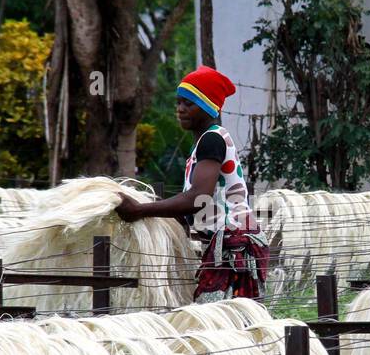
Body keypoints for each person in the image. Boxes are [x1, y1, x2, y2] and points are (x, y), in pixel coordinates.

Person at [115, 65, 269, 300]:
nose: (180, 109)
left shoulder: (212, 141)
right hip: (224, 245)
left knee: (219, 322)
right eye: (178, 103)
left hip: (234, 248)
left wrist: (140, 210)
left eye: (189, 104)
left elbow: (198, 199)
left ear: (208, 107)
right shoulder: (204, 144)